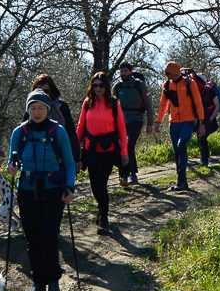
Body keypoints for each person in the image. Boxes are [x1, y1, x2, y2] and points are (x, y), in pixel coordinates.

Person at [8, 90, 77, 291]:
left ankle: (53, 279)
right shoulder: (19, 132)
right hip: (27, 190)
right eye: (33, 107)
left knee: (48, 235)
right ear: (27, 109)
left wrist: (69, 187)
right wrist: (11, 166)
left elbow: (69, 162)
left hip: (53, 190)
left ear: (47, 109)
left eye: (40, 108)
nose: (36, 112)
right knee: (32, 238)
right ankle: (39, 284)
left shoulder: (59, 132)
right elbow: (13, 159)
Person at [76, 72, 128, 234]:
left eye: (101, 85)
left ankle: (104, 218)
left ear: (106, 87)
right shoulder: (87, 104)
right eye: (95, 85)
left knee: (101, 184)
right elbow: (81, 127)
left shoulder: (113, 104)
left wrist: (124, 151)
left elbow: (121, 128)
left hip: (108, 150)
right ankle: (101, 210)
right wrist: (75, 149)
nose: (98, 88)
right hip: (91, 150)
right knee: (94, 186)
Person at [153, 61, 204, 191]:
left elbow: (198, 103)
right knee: (177, 151)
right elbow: (163, 105)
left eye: (168, 73)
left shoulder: (189, 83)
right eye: (166, 73)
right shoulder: (166, 85)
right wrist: (158, 121)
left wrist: (201, 123)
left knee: (181, 146)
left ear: (175, 72)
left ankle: (182, 180)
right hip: (173, 123)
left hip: (188, 121)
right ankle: (181, 181)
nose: (166, 75)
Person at [26, 74, 81, 170]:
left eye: (46, 91)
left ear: (52, 90)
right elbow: (24, 132)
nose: (43, 94)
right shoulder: (32, 108)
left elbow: (71, 132)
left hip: (60, 155)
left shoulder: (62, 106)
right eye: (38, 90)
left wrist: (76, 158)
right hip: (36, 158)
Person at [113, 62, 151, 186]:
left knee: (129, 145)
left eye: (125, 71)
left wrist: (150, 123)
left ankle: (131, 174)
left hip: (136, 119)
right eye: (121, 71)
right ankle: (124, 174)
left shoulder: (139, 85)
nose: (123, 73)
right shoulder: (118, 87)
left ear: (130, 71)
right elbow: (113, 105)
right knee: (121, 146)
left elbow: (148, 105)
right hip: (121, 120)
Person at [191, 70, 220, 166]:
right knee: (201, 138)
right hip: (202, 119)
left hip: (209, 119)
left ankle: (205, 161)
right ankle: (204, 159)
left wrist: (211, 118)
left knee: (202, 138)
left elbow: (217, 106)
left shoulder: (210, 90)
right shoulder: (197, 91)